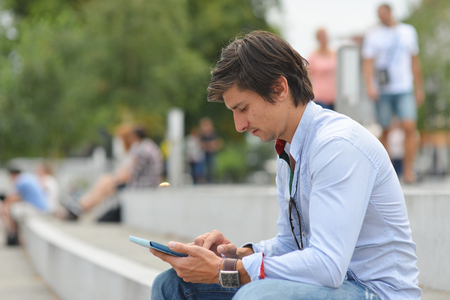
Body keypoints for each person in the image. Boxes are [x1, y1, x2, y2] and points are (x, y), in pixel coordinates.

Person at [150, 31, 421, 300]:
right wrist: (237, 255)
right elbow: (291, 245)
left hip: (375, 292)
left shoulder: (337, 146)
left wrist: (226, 270)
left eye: (243, 108)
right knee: (172, 285)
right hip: (331, 287)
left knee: (258, 296)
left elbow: (327, 266)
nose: (239, 125)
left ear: (279, 88)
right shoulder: (289, 149)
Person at [362, 3, 424, 184]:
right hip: (383, 90)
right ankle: (388, 175)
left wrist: (419, 87)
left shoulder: (408, 31)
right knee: (386, 129)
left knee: (409, 126)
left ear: (390, 13)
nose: (381, 18)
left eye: (383, 14)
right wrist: (369, 85)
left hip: (404, 87)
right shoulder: (373, 35)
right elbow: (367, 62)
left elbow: (414, 60)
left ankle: (408, 171)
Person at [64, 125, 164, 219]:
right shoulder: (145, 147)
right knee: (106, 181)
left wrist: (114, 179)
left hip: (142, 185)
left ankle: (81, 207)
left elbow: (131, 174)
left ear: (134, 136)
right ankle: (81, 206)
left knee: (107, 184)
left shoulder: (142, 150)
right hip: (141, 182)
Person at [0, 165, 49, 246]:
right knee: (14, 208)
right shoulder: (27, 177)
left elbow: (11, 198)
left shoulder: (20, 181)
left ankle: (13, 234)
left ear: (13, 175)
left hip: (37, 209)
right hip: (42, 207)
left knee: (11, 209)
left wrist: (4, 206)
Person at [308, 27, 337, 110]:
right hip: (320, 97)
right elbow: (307, 75)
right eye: (322, 36)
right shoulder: (313, 56)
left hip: (336, 97)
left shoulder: (335, 54)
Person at [199, 117, 222, 183]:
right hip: (204, 153)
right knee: (204, 166)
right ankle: (205, 179)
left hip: (211, 152)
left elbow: (216, 142)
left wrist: (209, 146)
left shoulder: (213, 133)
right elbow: (201, 143)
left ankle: (211, 179)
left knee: (211, 166)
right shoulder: (202, 134)